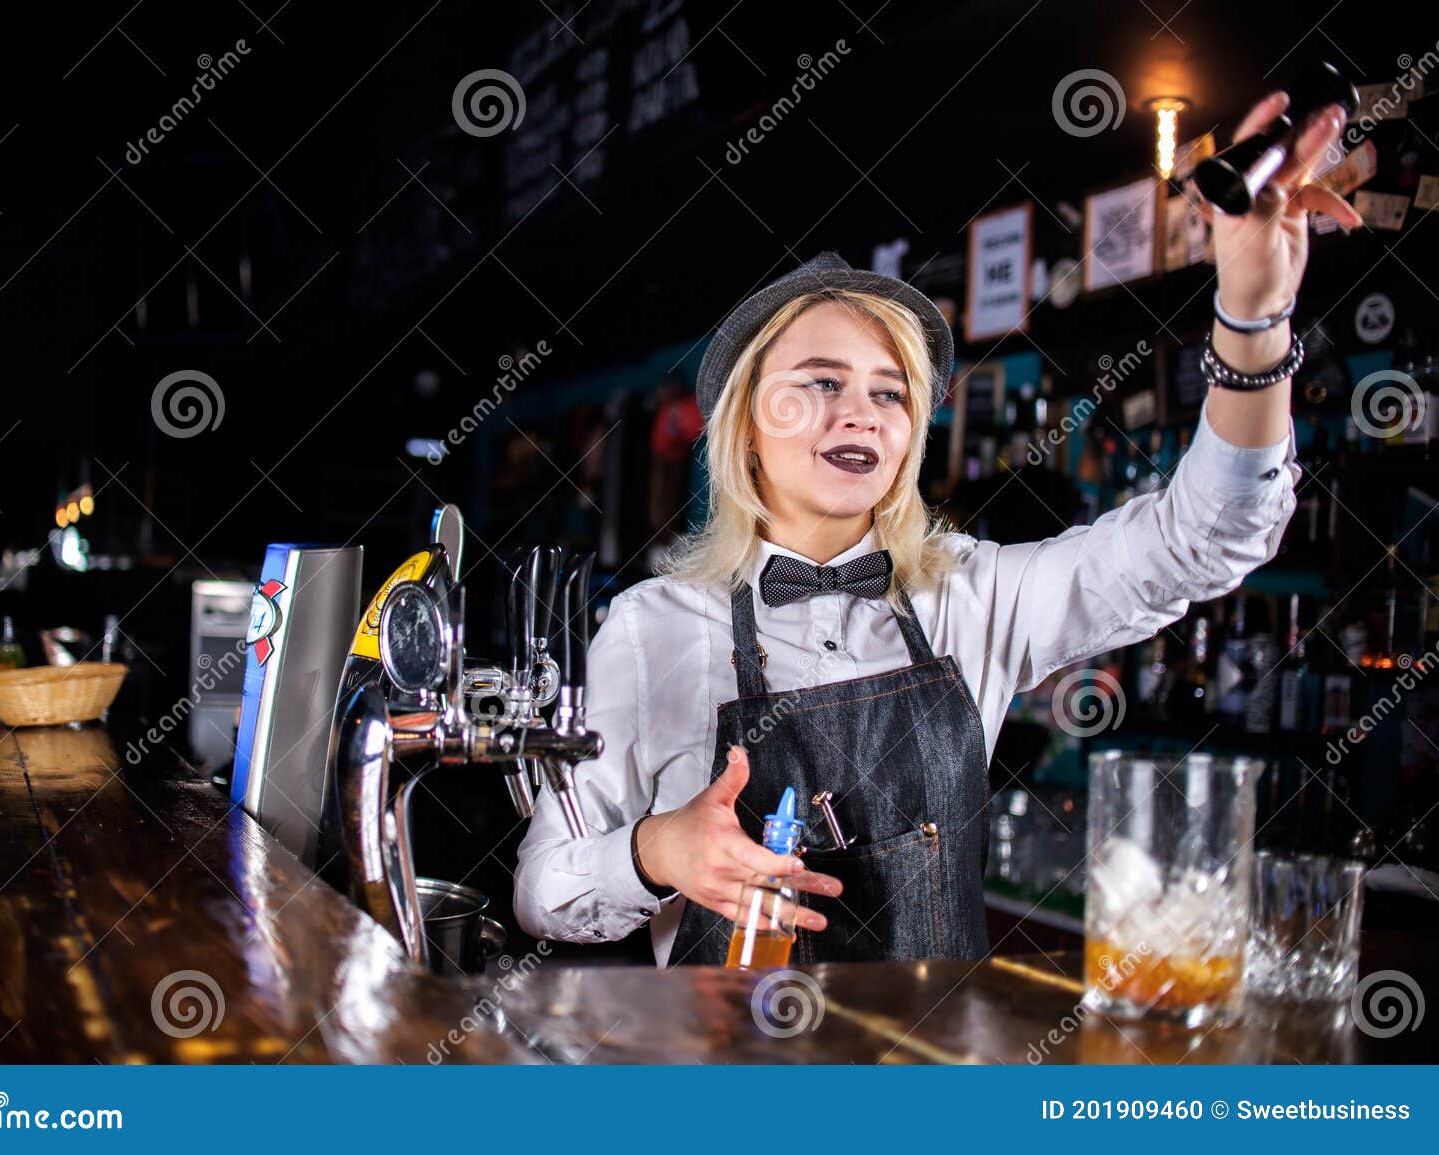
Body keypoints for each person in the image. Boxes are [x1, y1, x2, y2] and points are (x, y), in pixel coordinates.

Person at [515, 92, 1362, 967]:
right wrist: (656, 851)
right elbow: (541, 892)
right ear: (748, 426)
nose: (864, 414)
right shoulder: (653, 627)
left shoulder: (973, 594)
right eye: (821, 381)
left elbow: (1210, 536)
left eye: (890, 392)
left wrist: (1254, 317)